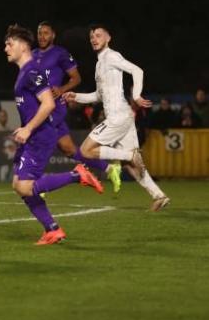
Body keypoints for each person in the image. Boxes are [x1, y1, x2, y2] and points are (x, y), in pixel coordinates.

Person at [4, 24, 103, 245]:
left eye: (9, 44)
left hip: (39, 135)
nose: (6, 48)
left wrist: (28, 128)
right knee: (17, 185)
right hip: (31, 136)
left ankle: (78, 175)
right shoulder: (25, 71)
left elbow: (48, 104)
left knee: (25, 187)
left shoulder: (31, 71)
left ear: (23, 45)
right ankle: (52, 229)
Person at [63, 24, 171, 211]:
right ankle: (158, 195)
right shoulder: (99, 64)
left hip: (117, 116)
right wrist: (76, 96)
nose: (94, 39)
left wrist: (136, 95)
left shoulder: (112, 56)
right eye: (91, 37)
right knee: (131, 164)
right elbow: (98, 95)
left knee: (87, 150)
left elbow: (138, 71)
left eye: (98, 35)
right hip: (123, 117)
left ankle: (130, 155)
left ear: (108, 38)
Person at [34, 21, 122, 192]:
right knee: (69, 150)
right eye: (39, 33)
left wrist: (61, 89)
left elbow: (76, 79)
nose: (42, 36)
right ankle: (110, 169)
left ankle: (37, 184)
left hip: (54, 107)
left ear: (53, 35)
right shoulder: (33, 54)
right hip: (40, 107)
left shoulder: (60, 53)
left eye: (46, 33)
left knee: (39, 137)